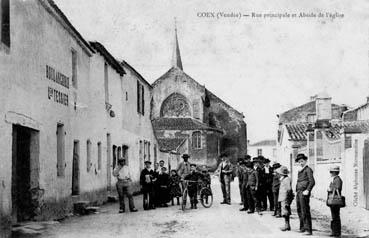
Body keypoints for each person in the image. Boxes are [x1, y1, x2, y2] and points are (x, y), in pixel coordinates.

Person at [296, 153, 315, 236]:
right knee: (299, 209)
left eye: (302, 161)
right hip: (299, 192)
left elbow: (312, 181)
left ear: (306, 161)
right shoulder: (300, 170)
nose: (301, 163)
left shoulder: (308, 170)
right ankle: (302, 227)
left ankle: (308, 229)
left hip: (304, 192)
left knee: (305, 210)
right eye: (299, 161)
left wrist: (307, 190)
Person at [327, 165, 343, 238]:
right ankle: (335, 232)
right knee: (334, 216)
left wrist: (330, 189)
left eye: (331, 172)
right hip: (335, 200)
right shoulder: (335, 179)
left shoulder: (337, 179)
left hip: (335, 200)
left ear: (334, 172)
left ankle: (336, 232)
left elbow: (337, 188)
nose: (330, 173)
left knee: (335, 216)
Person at [278, 166, 293, 232]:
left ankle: (287, 226)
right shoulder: (284, 178)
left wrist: (288, 199)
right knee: (284, 211)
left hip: (285, 197)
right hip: (283, 197)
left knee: (285, 212)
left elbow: (289, 189)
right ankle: (287, 225)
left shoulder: (286, 179)